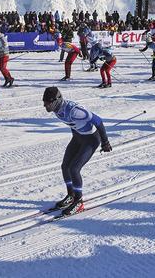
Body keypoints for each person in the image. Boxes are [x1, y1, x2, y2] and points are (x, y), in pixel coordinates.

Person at [43, 87, 111, 216]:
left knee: (74, 169)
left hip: (91, 139)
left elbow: (98, 121)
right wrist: (76, 136)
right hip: (78, 137)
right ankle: (71, 195)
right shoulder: (57, 109)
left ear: (57, 100)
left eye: (47, 102)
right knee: (65, 167)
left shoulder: (76, 111)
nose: (45, 105)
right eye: (44, 102)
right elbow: (72, 124)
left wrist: (105, 142)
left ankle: (79, 202)